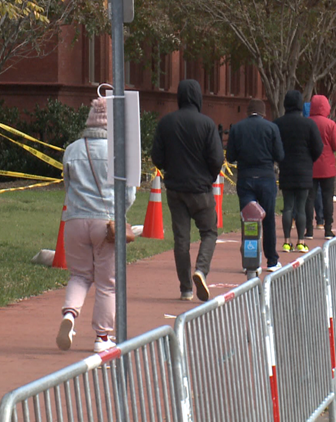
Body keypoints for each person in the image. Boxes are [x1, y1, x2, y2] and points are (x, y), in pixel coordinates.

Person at [56, 97, 137, 353]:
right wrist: (119, 215)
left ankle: (69, 315)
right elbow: (130, 194)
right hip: (105, 222)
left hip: (75, 220)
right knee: (107, 282)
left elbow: (67, 186)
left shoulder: (72, 149)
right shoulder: (120, 151)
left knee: (79, 275)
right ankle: (102, 337)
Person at [152, 79, 224, 302]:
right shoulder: (207, 124)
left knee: (181, 240)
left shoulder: (166, 123)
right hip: (201, 189)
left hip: (175, 189)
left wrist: (169, 169)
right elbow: (217, 158)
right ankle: (201, 270)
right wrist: (209, 177)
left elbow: (157, 157)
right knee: (209, 232)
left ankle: (185, 289)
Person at [226, 99, 284, 272]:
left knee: (249, 220)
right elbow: (280, 155)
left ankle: (251, 261)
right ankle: (272, 260)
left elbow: (230, 156)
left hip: (246, 178)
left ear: (248, 111)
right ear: (263, 113)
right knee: (268, 220)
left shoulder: (237, 128)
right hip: (266, 177)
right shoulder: (271, 128)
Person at [274, 90, 323, 253]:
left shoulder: (278, 123)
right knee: (301, 207)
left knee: (287, 206)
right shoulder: (309, 124)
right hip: (304, 169)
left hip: (286, 168)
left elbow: (274, 146)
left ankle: (287, 241)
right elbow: (318, 147)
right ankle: (301, 241)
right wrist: (309, 159)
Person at [307, 94, 336, 240]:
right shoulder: (330, 124)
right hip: (327, 166)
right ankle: (328, 228)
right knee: (328, 198)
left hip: (310, 165)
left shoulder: (307, 123)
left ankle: (308, 230)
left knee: (309, 198)